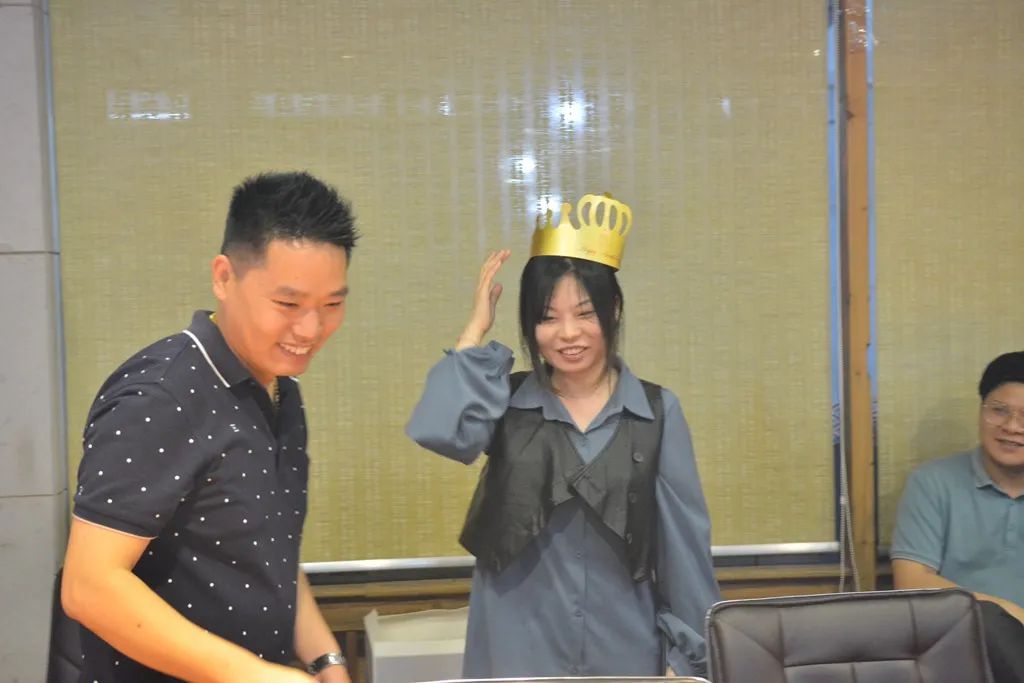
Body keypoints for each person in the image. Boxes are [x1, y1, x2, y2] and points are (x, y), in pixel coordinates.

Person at [61, 171, 358, 682]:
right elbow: (89, 586)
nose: (311, 329)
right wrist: (257, 676)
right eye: (288, 304)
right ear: (224, 277)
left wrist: (325, 660)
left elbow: (266, 550)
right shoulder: (162, 395)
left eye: (332, 304)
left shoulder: (280, 388)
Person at [406, 194, 719, 678]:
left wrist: (690, 657)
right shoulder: (504, 401)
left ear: (614, 309)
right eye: (548, 317)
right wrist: (472, 334)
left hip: (625, 651)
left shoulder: (657, 413)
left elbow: (684, 548)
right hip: (514, 650)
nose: (567, 333)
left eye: (585, 313)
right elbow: (441, 430)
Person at [891, 351, 1024, 683]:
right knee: (987, 619)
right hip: (957, 646)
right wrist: (1008, 613)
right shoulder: (932, 482)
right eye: (999, 410)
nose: (1012, 427)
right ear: (981, 411)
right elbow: (911, 580)